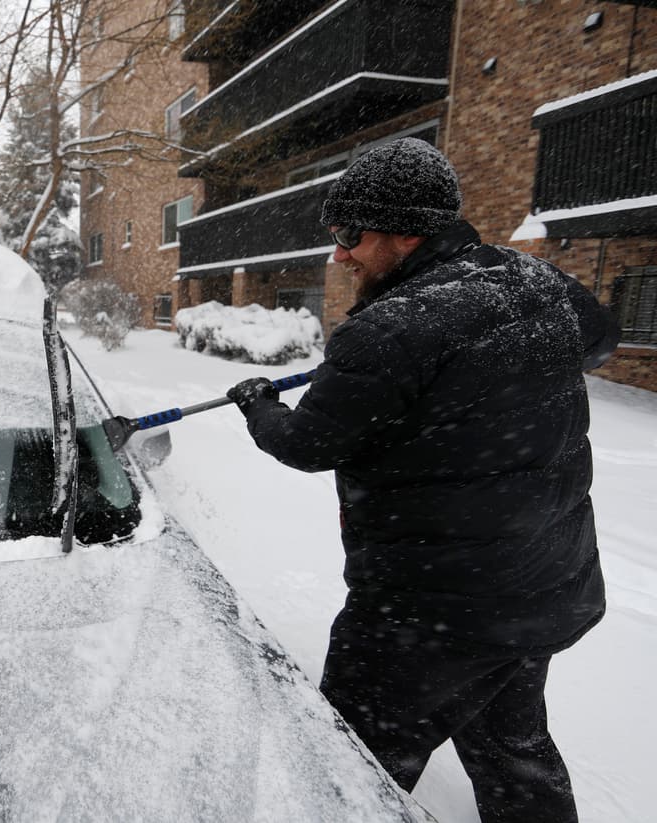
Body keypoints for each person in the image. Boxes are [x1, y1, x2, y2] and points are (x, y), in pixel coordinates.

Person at [226, 138, 619, 823]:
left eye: (351, 234)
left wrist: (259, 404)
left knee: (342, 770)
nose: (339, 254)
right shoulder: (539, 284)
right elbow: (599, 337)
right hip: (541, 588)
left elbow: (307, 441)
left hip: (427, 617)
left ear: (407, 231)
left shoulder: (388, 331)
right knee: (514, 747)